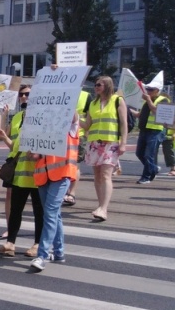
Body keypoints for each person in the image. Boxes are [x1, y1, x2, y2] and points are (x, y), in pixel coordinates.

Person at [0, 84, 42, 258]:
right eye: (21, 95)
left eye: (27, 94)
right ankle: (10, 243)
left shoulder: (42, 117)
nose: (23, 97)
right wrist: (5, 135)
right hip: (20, 172)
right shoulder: (19, 117)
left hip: (38, 173)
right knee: (16, 209)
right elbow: (14, 146)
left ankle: (37, 244)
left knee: (39, 211)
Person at [29, 111, 80, 271]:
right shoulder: (42, 126)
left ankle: (42, 255)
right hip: (43, 175)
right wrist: (33, 153)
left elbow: (72, 114)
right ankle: (59, 253)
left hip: (62, 174)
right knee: (53, 214)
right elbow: (34, 154)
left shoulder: (70, 122)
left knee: (50, 213)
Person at [82, 76, 127, 222]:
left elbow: (123, 124)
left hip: (110, 143)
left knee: (106, 175)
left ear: (107, 85)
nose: (95, 87)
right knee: (97, 176)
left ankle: (104, 208)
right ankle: (100, 205)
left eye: (98, 85)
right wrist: (74, 118)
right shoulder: (93, 103)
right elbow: (87, 125)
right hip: (94, 143)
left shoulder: (117, 100)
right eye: (95, 85)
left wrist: (123, 143)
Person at [133, 77, 169, 184]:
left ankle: (146, 177)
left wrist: (148, 100)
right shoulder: (147, 102)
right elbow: (140, 115)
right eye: (147, 89)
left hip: (155, 131)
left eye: (150, 89)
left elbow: (157, 112)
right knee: (139, 153)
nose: (148, 91)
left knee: (149, 154)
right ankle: (153, 168)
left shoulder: (163, 100)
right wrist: (128, 109)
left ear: (157, 91)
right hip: (144, 130)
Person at [63, 88, 90, 206]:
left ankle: (71, 193)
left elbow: (90, 120)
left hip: (78, 135)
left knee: (75, 165)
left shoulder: (86, 96)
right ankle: (62, 191)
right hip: (58, 135)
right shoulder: (57, 92)